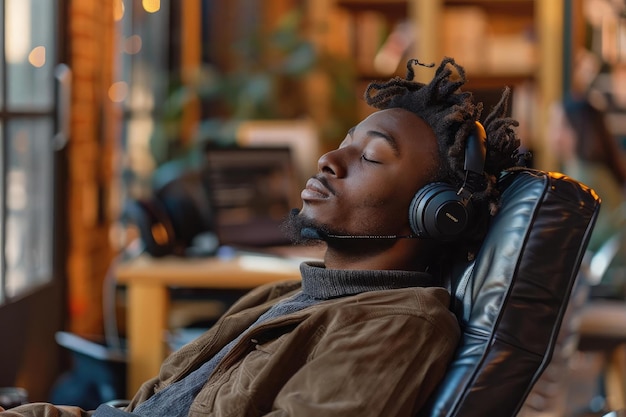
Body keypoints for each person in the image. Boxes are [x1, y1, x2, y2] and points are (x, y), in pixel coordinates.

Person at [0, 57, 524, 417]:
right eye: (344, 143)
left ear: (432, 213)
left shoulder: (397, 327)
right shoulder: (288, 296)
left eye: (370, 157)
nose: (328, 159)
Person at [547, 96, 626, 253]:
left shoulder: (584, 176)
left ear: (577, 129)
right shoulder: (590, 170)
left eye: (557, 125)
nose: (550, 132)